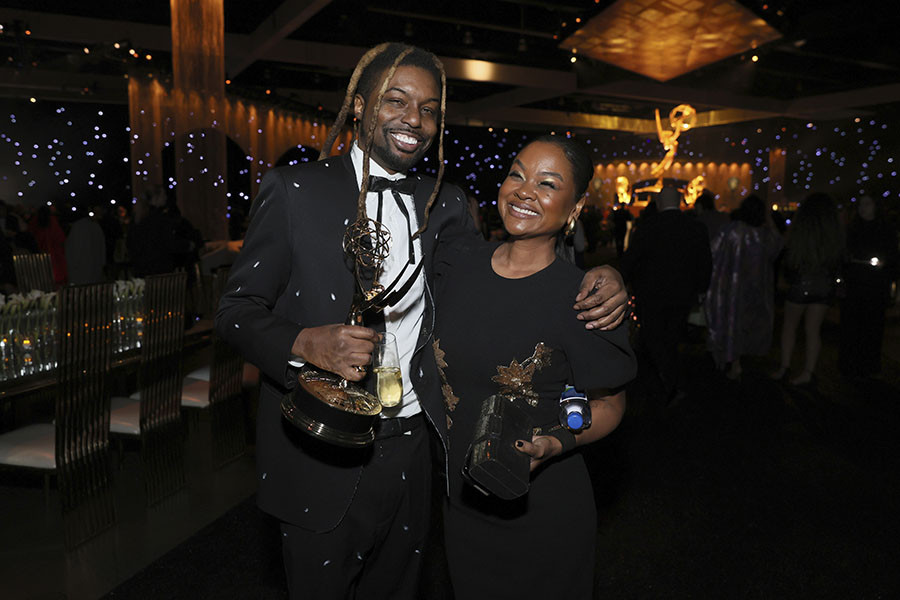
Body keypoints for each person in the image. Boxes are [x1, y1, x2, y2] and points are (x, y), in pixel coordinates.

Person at [214, 42, 628, 600]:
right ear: (358, 106)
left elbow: (512, 274)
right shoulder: (295, 192)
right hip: (321, 448)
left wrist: (610, 274)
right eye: (396, 100)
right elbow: (235, 312)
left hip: (417, 450)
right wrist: (305, 341)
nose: (415, 118)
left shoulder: (447, 206)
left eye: (429, 108)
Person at [433, 136, 635, 600]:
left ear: (575, 207)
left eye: (547, 183)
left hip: (543, 509)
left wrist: (556, 441)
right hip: (460, 504)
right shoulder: (457, 266)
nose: (524, 191)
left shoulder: (584, 297)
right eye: (517, 174)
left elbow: (608, 403)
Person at [621, 186, 712, 404]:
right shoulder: (696, 227)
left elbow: (631, 259)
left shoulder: (648, 227)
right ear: (681, 202)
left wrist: (622, 281)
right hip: (682, 295)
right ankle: (670, 381)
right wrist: (701, 289)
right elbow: (705, 262)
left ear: (660, 203)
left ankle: (671, 381)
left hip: (651, 294)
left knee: (653, 338)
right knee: (670, 337)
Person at [704, 195, 783, 379]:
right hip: (757, 289)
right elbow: (778, 246)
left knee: (732, 323)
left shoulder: (732, 231)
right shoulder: (764, 235)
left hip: (732, 289)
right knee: (750, 324)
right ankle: (746, 361)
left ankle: (734, 362)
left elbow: (712, 251)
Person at [772, 193, 843, 385]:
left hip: (800, 282)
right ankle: (808, 372)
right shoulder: (834, 232)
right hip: (823, 285)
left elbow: (788, 254)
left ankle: (784, 367)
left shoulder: (801, 229)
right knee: (813, 330)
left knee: (790, 326)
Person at [839, 195, 898, 378]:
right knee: (852, 324)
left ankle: (869, 364)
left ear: (876, 206)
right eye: (860, 204)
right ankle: (850, 363)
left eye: (867, 204)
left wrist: (887, 273)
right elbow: (843, 255)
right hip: (855, 283)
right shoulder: (852, 229)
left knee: (872, 325)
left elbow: (893, 258)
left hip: (875, 285)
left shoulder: (886, 230)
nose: (862, 208)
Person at [64, 205, 106, 285]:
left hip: (82, 268)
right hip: (91, 268)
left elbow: (71, 249)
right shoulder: (95, 227)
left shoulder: (80, 227)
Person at [29, 205, 67, 287]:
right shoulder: (52, 221)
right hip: (55, 254)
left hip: (41, 254)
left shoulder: (34, 221)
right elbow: (60, 238)